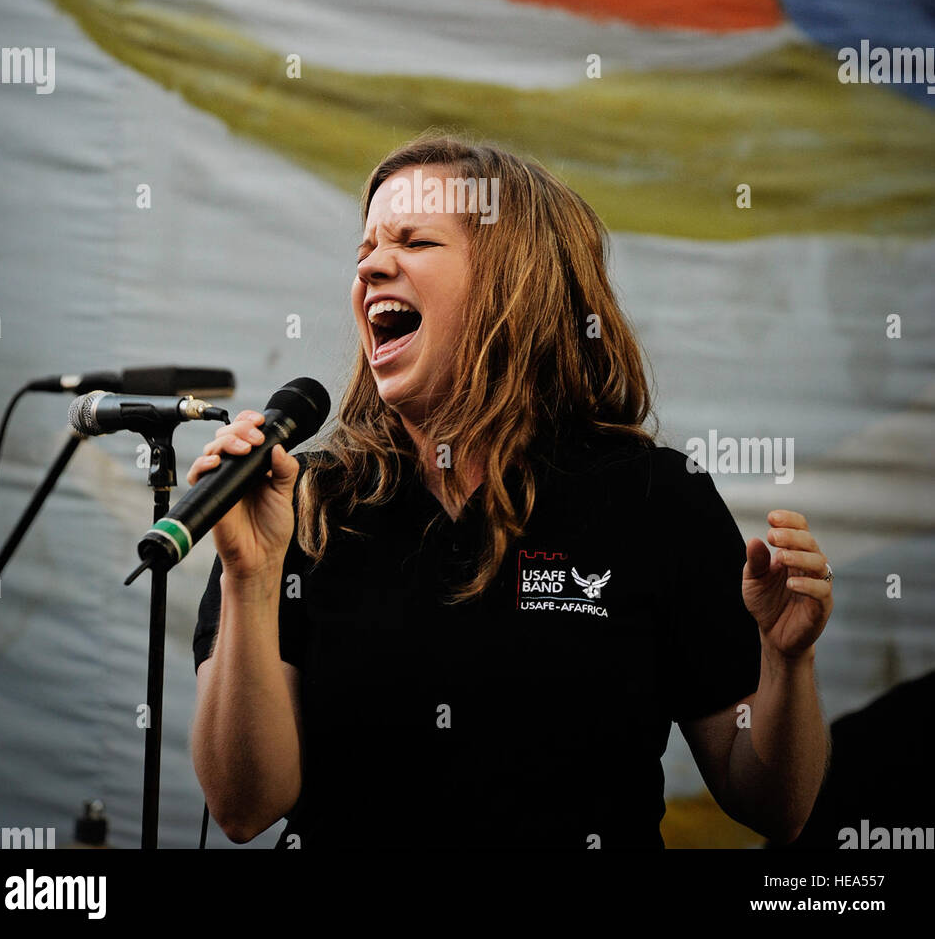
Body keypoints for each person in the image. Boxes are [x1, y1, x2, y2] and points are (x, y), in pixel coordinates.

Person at [190, 134, 833, 849]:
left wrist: (788, 663)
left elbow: (776, 807)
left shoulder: (654, 499)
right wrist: (249, 577)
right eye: (364, 249)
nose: (371, 266)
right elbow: (243, 807)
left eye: (415, 241)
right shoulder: (304, 503)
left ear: (513, 281)